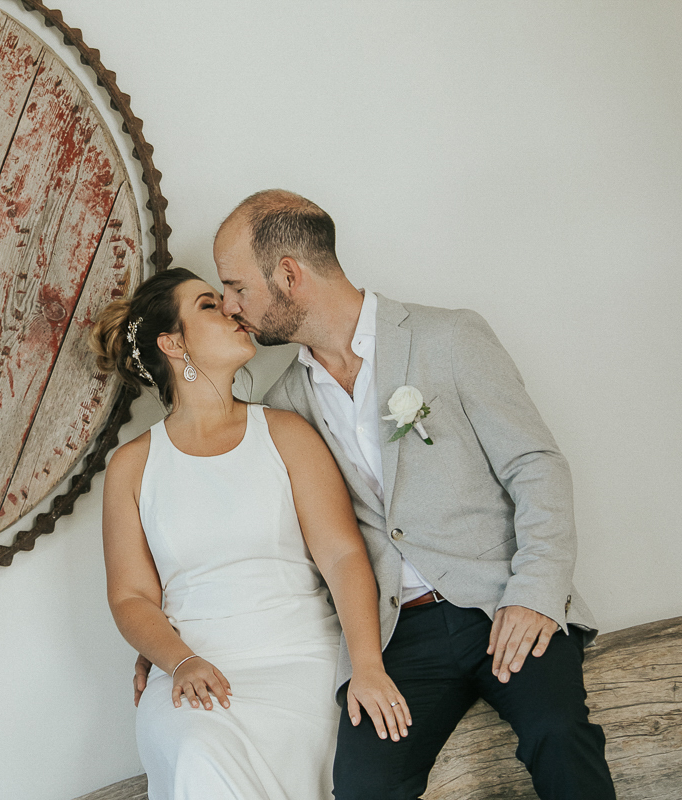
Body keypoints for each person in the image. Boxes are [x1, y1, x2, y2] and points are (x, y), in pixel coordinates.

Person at [198, 189, 614, 799]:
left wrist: (536, 594)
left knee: (559, 734)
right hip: (396, 637)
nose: (232, 306)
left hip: (499, 600)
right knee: (364, 786)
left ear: (289, 276)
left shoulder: (447, 336)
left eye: (236, 286)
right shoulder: (285, 402)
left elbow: (537, 466)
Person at [91, 267, 411, 800]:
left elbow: (342, 556)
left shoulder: (286, 433)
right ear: (173, 343)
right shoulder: (132, 466)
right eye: (209, 307)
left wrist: (367, 666)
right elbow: (130, 597)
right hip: (193, 667)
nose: (234, 311)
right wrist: (180, 660)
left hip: (303, 661)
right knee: (198, 750)